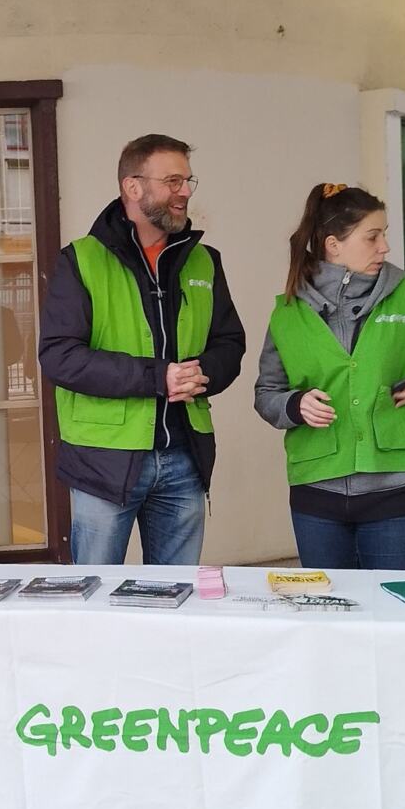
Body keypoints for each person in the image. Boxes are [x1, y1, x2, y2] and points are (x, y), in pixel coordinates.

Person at [255, 183, 405, 569]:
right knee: (331, 617)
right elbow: (267, 392)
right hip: (317, 494)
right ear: (333, 245)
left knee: (393, 615)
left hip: (399, 492)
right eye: (373, 237)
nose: (384, 247)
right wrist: (294, 405)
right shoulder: (287, 312)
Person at [38, 134, 245, 564]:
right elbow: (59, 356)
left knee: (177, 603)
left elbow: (230, 343)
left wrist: (203, 372)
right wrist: (158, 377)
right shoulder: (80, 260)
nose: (185, 191)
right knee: (94, 602)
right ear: (133, 187)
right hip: (104, 464)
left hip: (185, 457)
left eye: (188, 181)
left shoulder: (205, 260)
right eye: (172, 181)